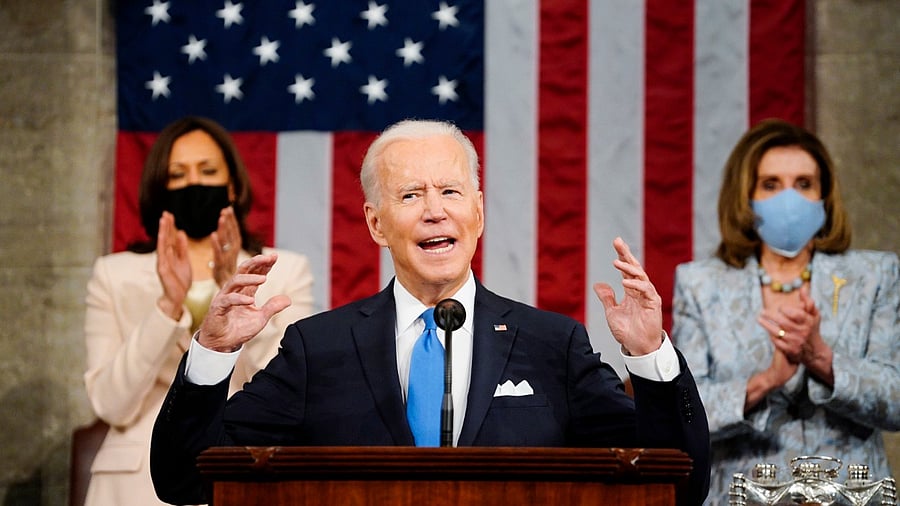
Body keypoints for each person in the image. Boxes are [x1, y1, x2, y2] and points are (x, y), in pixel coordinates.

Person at [149, 119, 711, 505]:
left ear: (479, 212)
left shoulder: (552, 345)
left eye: (451, 192)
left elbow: (677, 483)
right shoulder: (318, 349)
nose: (436, 212)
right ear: (376, 225)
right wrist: (213, 353)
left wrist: (650, 356)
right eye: (411, 195)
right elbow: (183, 478)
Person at [83, 116, 315, 506]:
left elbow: (294, 390)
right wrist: (166, 307)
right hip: (134, 485)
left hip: (247, 470)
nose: (194, 183)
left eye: (207, 171)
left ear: (232, 185)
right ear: (161, 188)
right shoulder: (113, 274)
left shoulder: (285, 270)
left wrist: (238, 290)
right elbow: (110, 404)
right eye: (178, 174)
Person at [672, 119, 899, 505]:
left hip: (851, 495)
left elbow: (895, 401)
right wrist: (766, 381)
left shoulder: (874, 275)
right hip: (741, 496)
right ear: (745, 196)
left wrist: (823, 360)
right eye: (771, 184)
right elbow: (684, 416)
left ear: (825, 196)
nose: (788, 200)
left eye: (804, 184)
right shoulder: (700, 283)